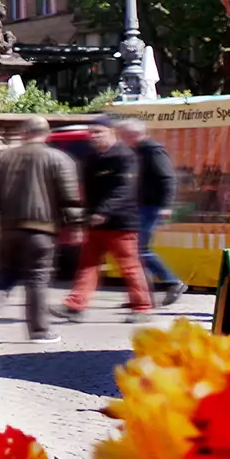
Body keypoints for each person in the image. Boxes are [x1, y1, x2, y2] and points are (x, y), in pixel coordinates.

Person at [0, 115, 81, 343]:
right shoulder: (59, 159)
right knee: (37, 278)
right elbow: (69, 198)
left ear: (23, 133)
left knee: (8, 272)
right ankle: (40, 331)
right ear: (46, 133)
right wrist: (75, 227)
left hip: (8, 229)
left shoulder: (2, 158)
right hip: (42, 230)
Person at [57, 117, 154, 321]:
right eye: (92, 133)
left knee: (129, 267)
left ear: (112, 132)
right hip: (94, 222)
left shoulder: (125, 156)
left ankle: (142, 307)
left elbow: (124, 189)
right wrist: (82, 214)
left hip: (121, 223)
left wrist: (104, 212)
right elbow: (83, 189)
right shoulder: (92, 158)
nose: (94, 136)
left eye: (98, 132)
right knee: (88, 265)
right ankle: (75, 306)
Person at [116, 119, 185, 307]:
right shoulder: (137, 152)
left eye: (123, 135)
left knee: (140, 250)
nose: (121, 138)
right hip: (140, 207)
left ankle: (172, 282)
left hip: (151, 207)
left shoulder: (153, 151)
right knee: (135, 252)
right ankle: (143, 297)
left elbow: (167, 178)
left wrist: (166, 205)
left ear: (134, 134)